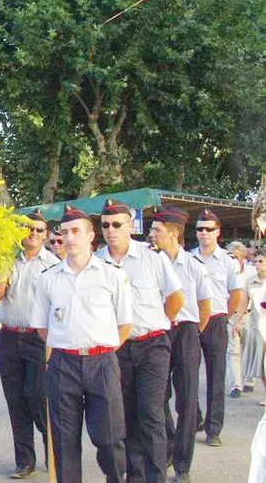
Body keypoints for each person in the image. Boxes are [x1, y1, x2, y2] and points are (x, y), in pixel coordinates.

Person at [30, 204, 133, 483]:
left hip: (102, 363)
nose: (69, 238)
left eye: (76, 231)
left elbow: (125, 323)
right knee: (64, 441)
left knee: (110, 438)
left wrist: (103, 349)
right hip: (64, 364)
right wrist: (67, 343)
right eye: (64, 232)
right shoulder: (49, 279)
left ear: (90, 237)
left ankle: (116, 478)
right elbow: (41, 325)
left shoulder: (112, 275)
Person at [95, 200, 183, 483]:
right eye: (106, 225)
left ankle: (155, 477)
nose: (111, 231)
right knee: (125, 417)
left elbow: (175, 299)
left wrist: (155, 326)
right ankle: (135, 476)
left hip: (152, 345)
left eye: (117, 224)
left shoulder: (152, 258)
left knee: (151, 415)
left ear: (130, 225)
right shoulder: (95, 261)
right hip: (116, 348)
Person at [0, 209, 60, 479]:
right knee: (15, 401)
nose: (33, 233)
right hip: (9, 335)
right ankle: (24, 461)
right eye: (29, 228)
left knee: (38, 397)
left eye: (39, 230)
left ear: (46, 235)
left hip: (39, 338)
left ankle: (52, 452)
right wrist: (1, 274)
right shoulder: (7, 260)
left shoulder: (53, 264)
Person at [149, 206, 212, 483]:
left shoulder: (195, 266)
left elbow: (205, 308)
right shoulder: (149, 262)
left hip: (186, 332)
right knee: (157, 396)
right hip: (158, 333)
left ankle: (183, 464)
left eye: (157, 230)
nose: (152, 234)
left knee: (187, 400)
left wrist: (192, 334)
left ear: (174, 233)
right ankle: (169, 445)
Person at [191, 209, 243, 447]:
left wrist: (223, 317)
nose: (204, 233)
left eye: (209, 229)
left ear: (217, 232)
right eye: (200, 228)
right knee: (187, 376)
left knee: (216, 377)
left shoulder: (228, 261)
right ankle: (195, 418)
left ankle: (213, 429)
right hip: (192, 322)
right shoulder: (188, 258)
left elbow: (235, 296)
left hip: (216, 321)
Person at [228, 241, 258, 397]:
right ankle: (236, 386)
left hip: (248, 315)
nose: (234, 259)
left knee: (248, 347)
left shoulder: (252, 271)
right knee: (233, 352)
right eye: (231, 256)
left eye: (237, 256)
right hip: (231, 316)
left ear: (243, 257)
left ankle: (249, 380)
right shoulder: (225, 270)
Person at [243, 255, 266, 402]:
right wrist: (238, 320)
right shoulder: (250, 282)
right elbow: (244, 302)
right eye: (255, 261)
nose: (257, 264)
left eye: (261, 261)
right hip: (256, 328)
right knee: (261, 364)